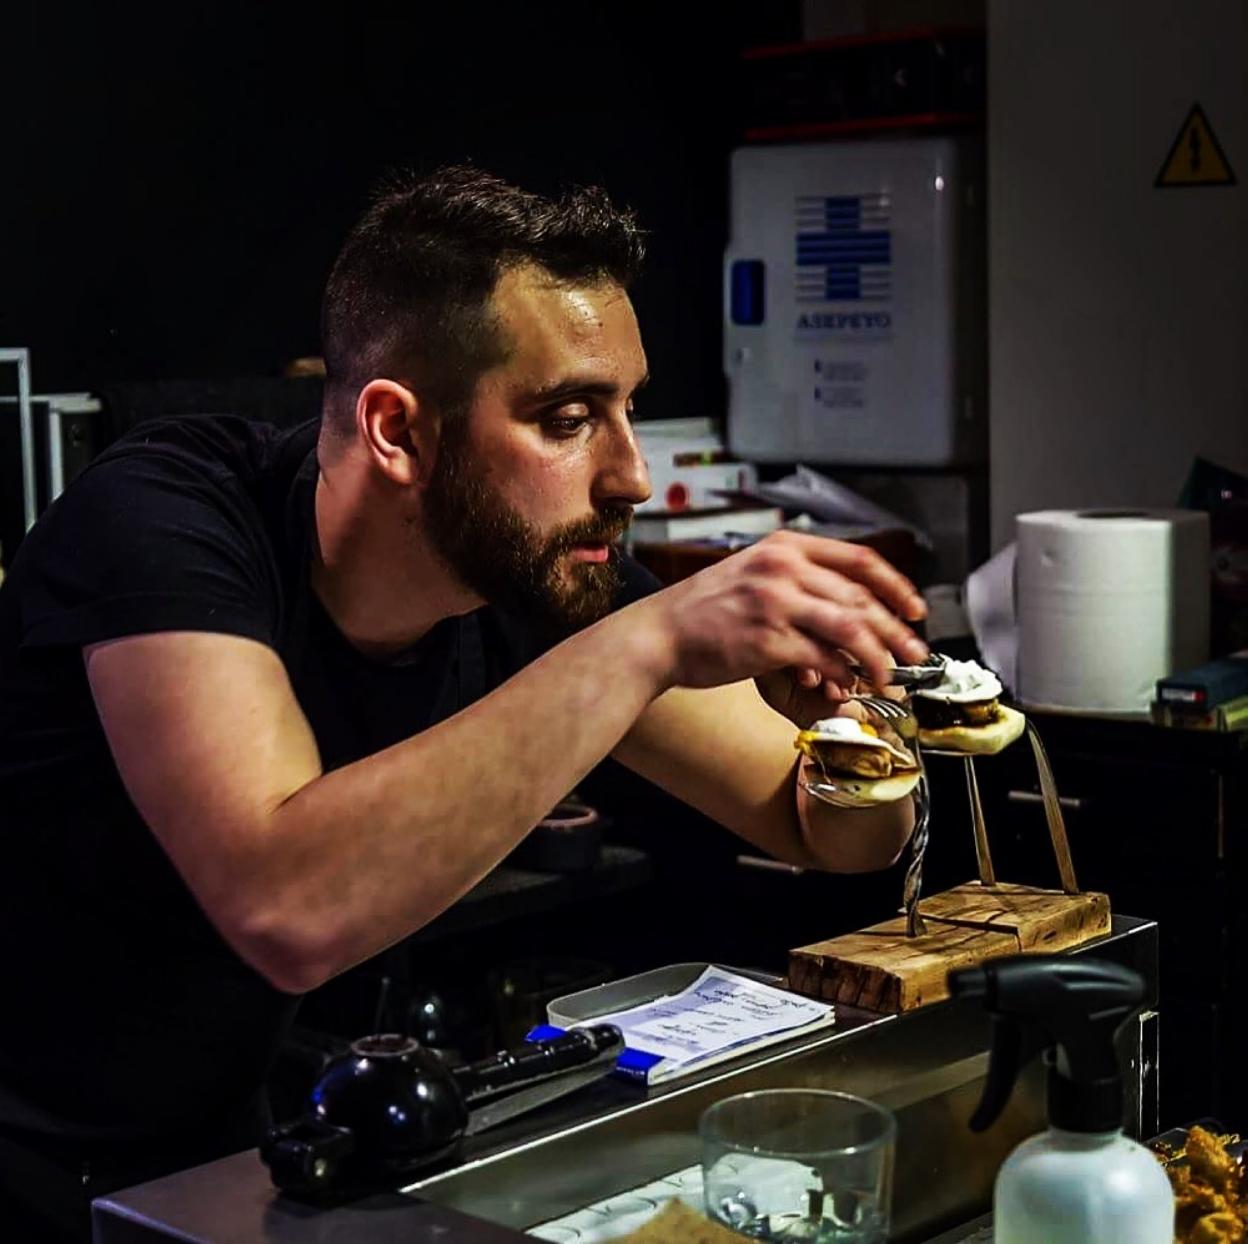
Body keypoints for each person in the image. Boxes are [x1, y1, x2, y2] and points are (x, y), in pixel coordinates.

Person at [0, 166, 927, 1240]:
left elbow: (828, 831)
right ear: (397, 432)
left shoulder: (530, 570)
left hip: (211, 1140)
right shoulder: (165, 517)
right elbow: (285, 910)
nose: (630, 474)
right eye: (569, 418)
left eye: (628, 409)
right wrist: (651, 639)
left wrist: (850, 723)